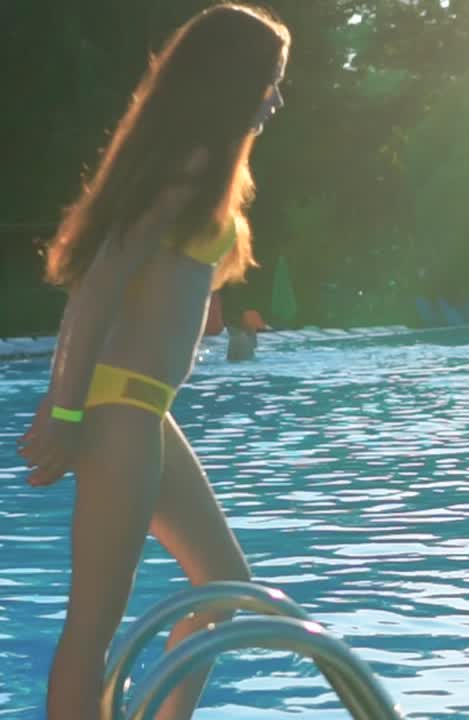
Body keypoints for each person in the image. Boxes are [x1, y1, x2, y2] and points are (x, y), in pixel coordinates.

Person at [16, 6, 290, 718]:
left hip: (147, 410)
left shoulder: (208, 172)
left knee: (226, 586)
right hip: (118, 408)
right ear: (234, 81)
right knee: (93, 624)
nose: (275, 98)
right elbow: (96, 291)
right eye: (270, 81)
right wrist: (66, 408)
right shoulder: (184, 169)